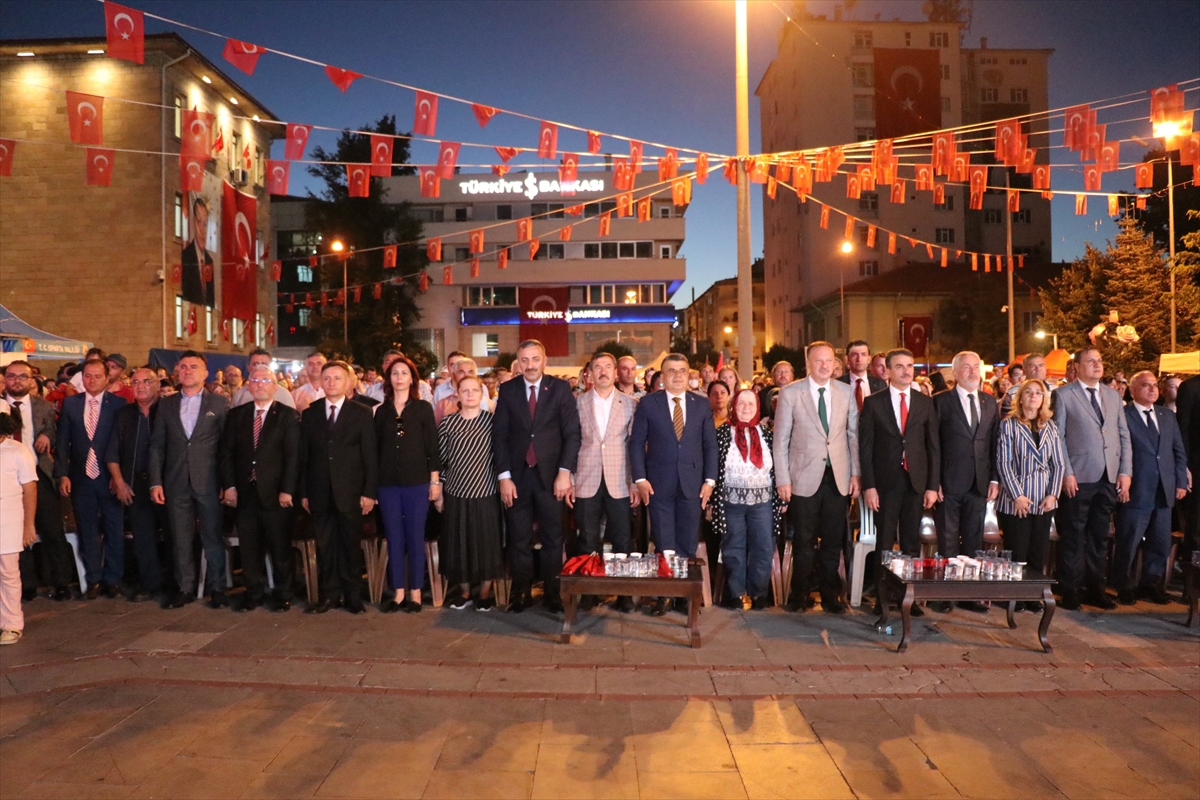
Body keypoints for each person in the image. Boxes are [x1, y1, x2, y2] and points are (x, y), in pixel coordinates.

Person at [494, 340, 581, 614]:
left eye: (534, 359)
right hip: (517, 478)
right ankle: (520, 593)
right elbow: (499, 436)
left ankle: (552, 593)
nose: (529, 365)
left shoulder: (560, 389)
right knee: (518, 538)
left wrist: (564, 473)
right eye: (524, 360)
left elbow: (572, 434)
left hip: (551, 477)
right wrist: (504, 477)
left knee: (554, 538)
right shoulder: (507, 390)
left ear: (544, 361)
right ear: (518, 363)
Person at [629, 353, 718, 616]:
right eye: (671, 371)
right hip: (658, 484)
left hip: (693, 484)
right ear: (662, 376)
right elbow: (636, 443)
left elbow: (709, 446)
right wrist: (640, 479)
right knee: (664, 541)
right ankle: (665, 595)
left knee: (687, 542)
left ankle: (684, 596)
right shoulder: (648, 404)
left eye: (682, 370)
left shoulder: (701, 405)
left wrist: (710, 481)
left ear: (689, 374)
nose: (677, 375)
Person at [773, 342, 859, 614]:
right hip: (803, 478)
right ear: (808, 363)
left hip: (838, 477)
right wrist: (783, 479)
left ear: (836, 363)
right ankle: (799, 596)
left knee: (834, 541)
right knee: (804, 542)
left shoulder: (846, 392)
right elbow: (781, 440)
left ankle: (831, 596)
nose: (824, 365)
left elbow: (853, 435)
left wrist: (856, 473)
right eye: (819, 361)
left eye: (829, 360)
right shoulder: (790, 393)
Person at [859, 349, 940, 619]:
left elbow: (933, 447)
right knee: (884, 542)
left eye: (910, 365)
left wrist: (932, 485)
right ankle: (881, 599)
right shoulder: (873, 403)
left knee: (910, 543)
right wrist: (869, 486)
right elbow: (866, 448)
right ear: (888, 371)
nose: (907, 371)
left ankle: (908, 597)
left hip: (915, 483)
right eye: (900, 366)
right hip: (885, 484)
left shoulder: (924, 402)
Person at [1052, 346, 1131, 611]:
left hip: (1108, 476)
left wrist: (1125, 472)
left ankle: (1095, 588)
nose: (1097, 365)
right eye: (1091, 361)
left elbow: (1123, 435)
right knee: (1073, 535)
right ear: (1077, 367)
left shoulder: (1112, 395)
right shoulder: (1064, 395)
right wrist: (1067, 472)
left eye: (1099, 360)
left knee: (1099, 536)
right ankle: (1070, 589)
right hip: (1078, 477)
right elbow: (1058, 436)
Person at [150, 351, 229, 609]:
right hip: (175, 481)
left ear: (205, 373)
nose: (187, 371)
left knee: (212, 537)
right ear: (176, 372)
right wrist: (155, 481)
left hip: (208, 480)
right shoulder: (166, 404)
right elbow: (157, 446)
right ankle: (185, 587)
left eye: (193, 367)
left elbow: (226, 448)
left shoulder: (219, 404)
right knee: (181, 538)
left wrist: (226, 483)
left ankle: (217, 587)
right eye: (183, 367)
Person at [297, 361, 378, 614]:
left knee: (350, 545)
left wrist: (369, 492)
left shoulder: (362, 413)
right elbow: (304, 456)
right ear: (320, 382)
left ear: (348, 383)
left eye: (337, 378)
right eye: (327, 378)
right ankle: (329, 594)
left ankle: (353, 595)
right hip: (319, 491)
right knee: (325, 545)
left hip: (351, 492)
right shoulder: (310, 414)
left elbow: (370, 456)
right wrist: (304, 492)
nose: (331, 382)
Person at [219, 364, 300, 612]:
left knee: (279, 547)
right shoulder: (237, 415)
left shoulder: (287, 415)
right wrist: (229, 486)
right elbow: (226, 454)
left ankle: (283, 593)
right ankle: (253, 593)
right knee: (249, 548)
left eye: (265, 381)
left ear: (275, 387)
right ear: (248, 385)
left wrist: (287, 490)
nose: (260, 385)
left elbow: (293, 456)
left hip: (276, 494)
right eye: (255, 380)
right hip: (245, 493)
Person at [931, 351, 999, 613]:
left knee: (973, 540)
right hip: (948, 483)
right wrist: (933, 481)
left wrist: (994, 477)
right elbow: (933, 444)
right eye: (967, 368)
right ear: (955, 373)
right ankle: (945, 596)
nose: (973, 372)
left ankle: (968, 595)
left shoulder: (990, 402)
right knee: (947, 541)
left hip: (979, 483)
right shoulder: (940, 402)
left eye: (976, 367)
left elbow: (993, 444)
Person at [570, 352, 638, 611]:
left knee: (622, 538)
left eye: (607, 366)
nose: (603, 371)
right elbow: (573, 443)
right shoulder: (578, 403)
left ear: (615, 371)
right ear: (589, 373)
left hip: (619, 478)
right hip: (586, 478)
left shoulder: (631, 404)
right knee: (586, 537)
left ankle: (623, 593)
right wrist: (572, 479)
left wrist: (633, 483)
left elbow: (633, 447)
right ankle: (588, 592)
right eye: (597, 367)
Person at [1113, 372, 1188, 605]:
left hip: (1164, 489)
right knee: (1129, 540)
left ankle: (1151, 583)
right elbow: (1119, 452)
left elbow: (1177, 450)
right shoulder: (1124, 415)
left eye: (1155, 386)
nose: (1153, 390)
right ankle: (1124, 585)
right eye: (1146, 386)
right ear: (1133, 390)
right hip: (1136, 489)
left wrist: (1180, 482)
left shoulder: (1167, 415)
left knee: (1160, 542)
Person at [56, 358, 127, 599]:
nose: (92, 380)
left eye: (97, 376)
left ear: (107, 378)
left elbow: (122, 444)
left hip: (109, 478)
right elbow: (62, 442)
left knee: (114, 529)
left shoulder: (119, 404)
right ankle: (94, 578)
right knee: (86, 530)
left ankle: (113, 579)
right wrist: (63, 474)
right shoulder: (70, 404)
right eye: (87, 375)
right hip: (80, 478)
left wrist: (119, 477)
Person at [374, 356, 440, 613]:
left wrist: (435, 481)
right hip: (388, 483)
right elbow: (375, 450)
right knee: (394, 538)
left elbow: (432, 448)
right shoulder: (381, 411)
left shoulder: (422, 408)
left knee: (415, 536)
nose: (399, 377)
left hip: (418, 482)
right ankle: (398, 592)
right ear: (389, 379)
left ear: (412, 378)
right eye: (394, 373)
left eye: (404, 373)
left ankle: (415, 593)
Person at [4, 362, 71, 601]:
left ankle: (61, 582)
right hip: (7, 480)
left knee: (53, 531)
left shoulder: (43, 406)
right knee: (15, 534)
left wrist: (46, 435)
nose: (17, 381)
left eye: (23, 376)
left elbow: (54, 430)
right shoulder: (0, 406)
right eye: (12, 376)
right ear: (5, 380)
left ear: (32, 380)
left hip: (38, 473)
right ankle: (26, 585)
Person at [437, 375, 505, 611]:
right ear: (457, 394)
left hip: (486, 491)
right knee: (460, 543)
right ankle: (465, 591)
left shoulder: (492, 422)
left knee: (486, 543)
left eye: (474, 390)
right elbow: (441, 459)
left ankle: (485, 593)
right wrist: (440, 492)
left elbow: (500, 459)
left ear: (482, 393)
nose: (469, 394)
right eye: (464, 390)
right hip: (456, 492)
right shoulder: (448, 424)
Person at [996, 379, 1065, 610]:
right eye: (1029, 392)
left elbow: (1058, 464)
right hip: (1017, 499)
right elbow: (1003, 463)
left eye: (1038, 393)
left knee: (1038, 551)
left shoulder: (1050, 426)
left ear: (1044, 399)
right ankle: (1014, 597)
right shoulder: (1009, 425)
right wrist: (1017, 495)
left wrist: (1053, 494)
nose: (1034, 396)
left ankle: (1033, 595)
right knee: (1018, 551)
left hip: (1043, 499)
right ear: (1021, 397)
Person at [712, 389, 782, 610]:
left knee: (763, 547)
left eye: (751, 404)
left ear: (758, 408)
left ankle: (759, 593)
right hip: (730, 501)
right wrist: (713, 500)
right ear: (734, 406)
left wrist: (781, 500)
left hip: (763, 501)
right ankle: (735, 593)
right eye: (741, 403)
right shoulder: (722, 433)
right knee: (733, 547)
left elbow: (778, 469)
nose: (746, 408)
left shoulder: (767, 434)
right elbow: (713, 468)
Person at [106, 368, 167, 603]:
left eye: (146, 381)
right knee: (143, 538)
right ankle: (150, 585)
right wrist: (119, 482)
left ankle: (176, 584)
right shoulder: (124, 414)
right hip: (134, 485)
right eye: (135, 382)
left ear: (157, 384)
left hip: (165, 485)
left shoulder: (169, 410)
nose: (140, 386)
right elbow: (112, 452)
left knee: (173, 537)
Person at [0, 412, 38, 645]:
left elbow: (30, 490)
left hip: (9, 519)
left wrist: (29, 525)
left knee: (8, 572)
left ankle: (12, 624)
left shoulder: (17, 450)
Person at [434, 357, 492, 424]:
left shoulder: (490, 404)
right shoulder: (443, 405)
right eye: (461, 372)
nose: (466, 375)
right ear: (454, 375)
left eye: (470, 372)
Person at [181, 196, 215, 307]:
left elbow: (211, 299)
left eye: (205, 224)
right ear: (194, 222)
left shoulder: (209, 260)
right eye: (200, 222)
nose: (202, 230)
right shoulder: (186, 255)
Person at [839, 341, 887, 413]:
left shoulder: (881, 384)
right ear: (848, 359)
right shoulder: (837, 384)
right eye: (855, 355)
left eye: (863, 355)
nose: (859, 359)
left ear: (869, 359)